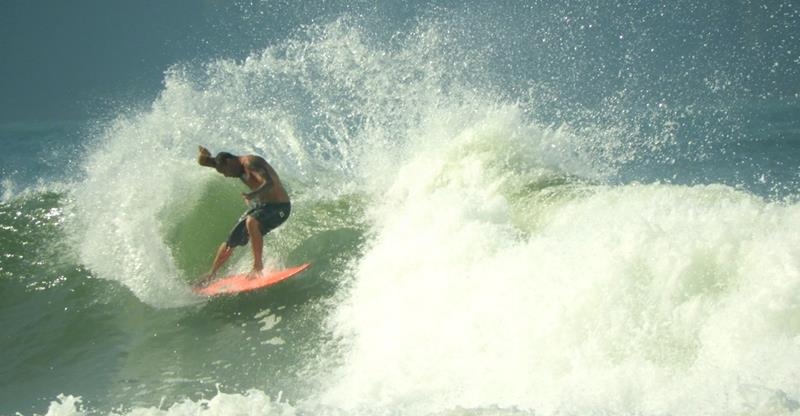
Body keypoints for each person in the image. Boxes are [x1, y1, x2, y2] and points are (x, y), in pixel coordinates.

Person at [195, 145, 291, 286]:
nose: (226, 175)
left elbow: (269, 183)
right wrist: (204, 156)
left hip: (279, 207)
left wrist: (252, 195)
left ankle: (258, 266)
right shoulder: (227, 165)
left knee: (252, 221)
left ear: (229, 162)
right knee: (231, 240)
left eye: (224, 172)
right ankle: (212, 274)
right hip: (261, 207)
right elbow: (203, 162)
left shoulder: (251, 163)